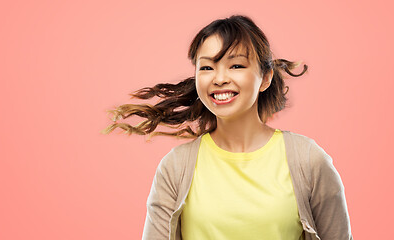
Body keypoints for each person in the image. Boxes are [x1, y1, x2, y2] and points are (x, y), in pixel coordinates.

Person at [102, 15, 353, 240]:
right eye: (207, 67)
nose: (219, 78)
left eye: (236, 65)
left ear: (265, 78)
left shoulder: (307, 160)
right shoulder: (176, 167)